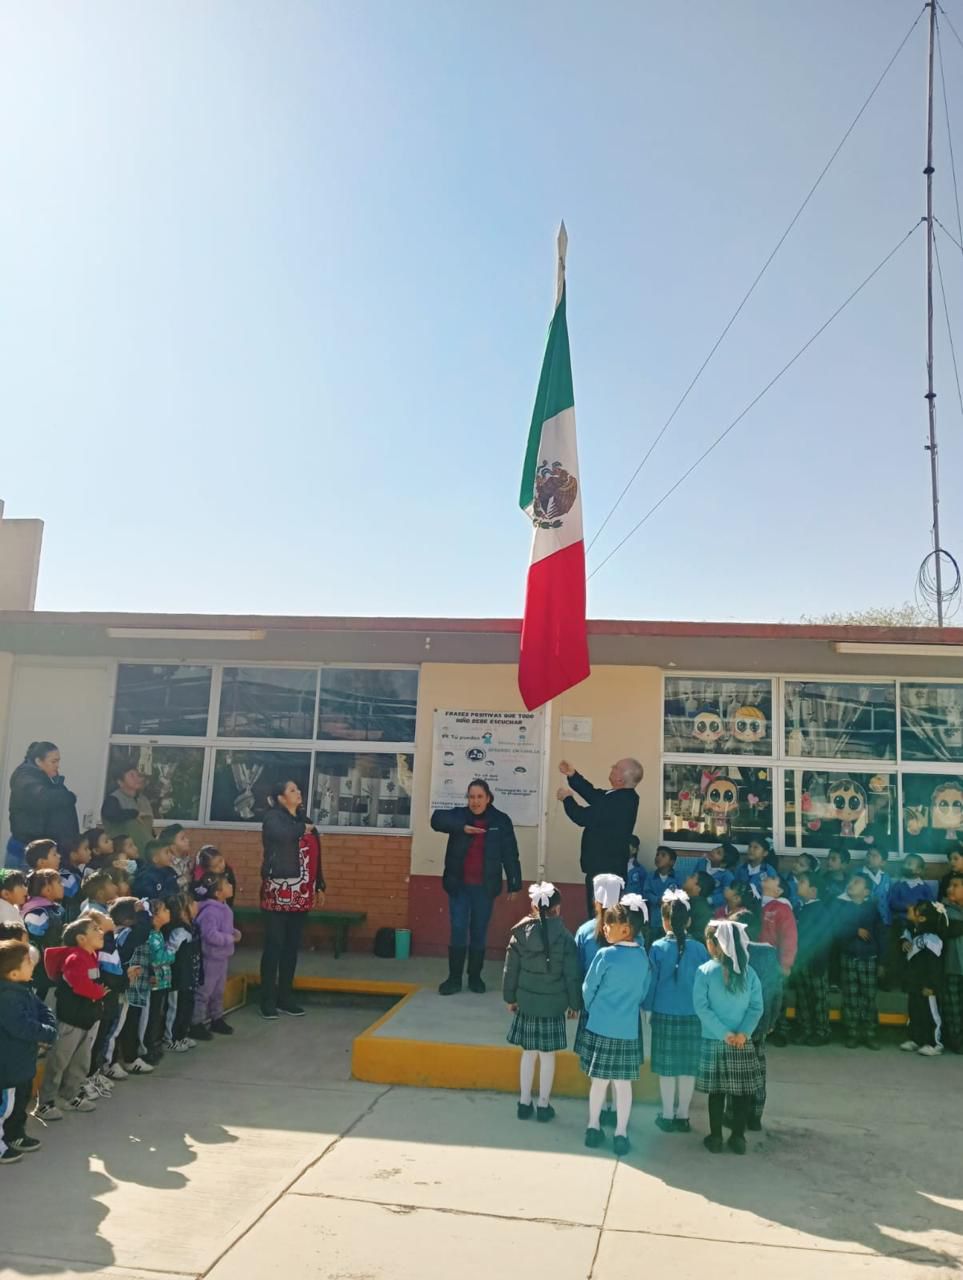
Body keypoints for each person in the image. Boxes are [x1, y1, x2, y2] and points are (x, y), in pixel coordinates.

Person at [430, 780, 521, 996]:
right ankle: (454, 978)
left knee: (479, 931)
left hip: (484, 888)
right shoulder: (459, 816)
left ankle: (474, 977)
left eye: (479, 797)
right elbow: (436, 819)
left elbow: (510, 854)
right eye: (471, 797)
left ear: (488, 798)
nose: (475, 801)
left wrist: (514, 883)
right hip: (459, 886)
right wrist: (461, 828)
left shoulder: (500, 820)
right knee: (458, 929)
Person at [503, 882, 580, 1123]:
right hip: (553, 1007)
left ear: (534, 906)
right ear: (557, 908)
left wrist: (510, 998)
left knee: (528, 1054)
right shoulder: (566, 938)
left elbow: (510, 971)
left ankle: (524, 1102)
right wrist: (574, 1004)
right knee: (548, 1056)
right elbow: (572, 975)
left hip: (526, 1004)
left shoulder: (519, 935)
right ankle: (544, 1105)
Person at [580, 896, 651, 1157]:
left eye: (610, 924)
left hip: (600, 1026)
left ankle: (593, 1126)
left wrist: (594, 1009)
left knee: (598, 1082)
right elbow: (643, 992)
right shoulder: (642, 957)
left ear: (626, 929)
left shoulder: (605, 955)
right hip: (627, 1029)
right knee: (623, 1084)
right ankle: (621, 1133)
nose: (605, 928)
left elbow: (588, 988)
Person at [693, 919, 764, 1155]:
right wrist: (743, 1033)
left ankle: (715, 1138)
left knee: (717, 1093)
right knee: (741, 1093)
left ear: (714, 944)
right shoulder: (749, 973)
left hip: (715, 1041)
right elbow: (756, 1007)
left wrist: (724, 1034)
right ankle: (738, 1137)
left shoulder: (704, 972)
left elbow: (702, 1008)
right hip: (742, 1043)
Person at [644, 888, 708, 1134]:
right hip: (693, 1015)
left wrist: (647, 1009)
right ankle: (683, 1115)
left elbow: (650, 984)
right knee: (687, 1069)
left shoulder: (657, 948)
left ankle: (667, 1114)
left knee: (667, 1069)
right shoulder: (700, 950)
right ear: (688, 921)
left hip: (663, 1014)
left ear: (664, 921)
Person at [259, 778, 325, 1020]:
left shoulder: (304, 820)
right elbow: (282, 835)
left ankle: (285, 997)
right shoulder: (273, 818)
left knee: (291, 947)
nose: (298, 792)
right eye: (292, 790)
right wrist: (302, 829)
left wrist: (320, 884)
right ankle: (267, 999)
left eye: (298, 789)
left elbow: (317, 855)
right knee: (274, 945)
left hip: (302, 893)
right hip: (278, 891)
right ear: (281, 797)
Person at [35, 916, 107, 1119]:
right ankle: (45, 1103)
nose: (101, 932)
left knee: (80, 1061)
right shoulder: (75, 958)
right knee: (59, 1060)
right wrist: (98, 992)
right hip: (71, 1019)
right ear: (81, 938)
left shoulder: (90, 955)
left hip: (86, 1018)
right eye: (95, 929)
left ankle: (70, 1095)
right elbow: (80, 985)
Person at [557, 758, 643, 916]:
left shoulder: (622, 800)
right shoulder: (619, 796)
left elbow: (583, 817)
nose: (612, 767)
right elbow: (593, 794)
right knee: (601, 915)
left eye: (616, 767)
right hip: (603, 868)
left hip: (606, 870)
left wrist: (567, 799)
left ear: (621, 779)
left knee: (601, 917)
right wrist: (573, 775)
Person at [573, 873, 624, 1127]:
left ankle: (600, 1108)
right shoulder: (631, 933)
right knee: (619, 1068)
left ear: (596, 901)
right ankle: (615, 1109)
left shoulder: (584, 932)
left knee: (597, 1065)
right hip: (623, 1009)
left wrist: (576, 1002)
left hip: (592, 1007)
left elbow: (576, 970)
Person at [0, 940, 57, 1162]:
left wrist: (49, 1025)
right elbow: (22, 1026)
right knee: (5, 1108)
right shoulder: (7, 997)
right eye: (27, 961)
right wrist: (47, 1032)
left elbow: (42, 1009)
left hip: (21, 1063)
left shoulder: (23, 988)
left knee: (18, 1103)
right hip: (9, 1066)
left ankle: (14, 1135)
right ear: (13, 973)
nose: (33, 963)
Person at [6, 741, 80, 868]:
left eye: (58, 761)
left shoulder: (45, 778)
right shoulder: (24, 777)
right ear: (38, 761)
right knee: (15, 880)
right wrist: (69, 796)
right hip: (25, 850)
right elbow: (43, 798)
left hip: (41, 849)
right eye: (53, 761)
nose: (57, 766)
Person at [833, 871, 884, 1050]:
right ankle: (852, 1032)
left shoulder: (872, 909)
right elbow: (836, 930)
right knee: (850, 997)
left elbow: (880, 935)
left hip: (869, 958)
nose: (851, 884)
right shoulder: (841, 906)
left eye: (857, 882)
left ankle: (870, 1033)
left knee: (869, 997)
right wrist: (855, 930)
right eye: (851, 881)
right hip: (848, 957)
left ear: (866, 892)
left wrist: (882, 962)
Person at [120, 898, 171, 1068]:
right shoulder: (138, 934)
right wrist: (171, 954)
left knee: (143, 1018)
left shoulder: (153, 933)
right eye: (164, 909)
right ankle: (132, 1055)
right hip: (133, 987)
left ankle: (140, 1050)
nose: (168, 911)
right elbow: (154, 956)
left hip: (143, 986)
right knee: (132, 1022)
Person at [109, 897, 154, 1076]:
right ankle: (111, 1063)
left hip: (133, 988)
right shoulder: (125, 933)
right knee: (117, 1028)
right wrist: (142, 913)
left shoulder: (127, 932)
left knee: (130, 1024)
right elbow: (142, 932)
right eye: (138, 917)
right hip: (124, 988)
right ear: (128, 920)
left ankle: (130, 1058)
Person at [788, 870, 833, 1045]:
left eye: (802, 882)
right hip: (801, 962)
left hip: (816, 963)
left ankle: (822, 1031)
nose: (797, 884)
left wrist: (819, 961)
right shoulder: (801, 908)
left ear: (813, 891)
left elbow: (824, 939)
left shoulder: (820, 911)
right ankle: (805, 1029)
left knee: (818, 999)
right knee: (803, 998)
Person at [192, 873, 240, 1039]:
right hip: (210, 958)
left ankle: (217, 1018)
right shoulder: (210, 912)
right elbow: (210, 935)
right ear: (218, 893)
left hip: (222, 957)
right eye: (226, 884)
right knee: (204, 992)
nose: (231, 886)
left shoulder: (224, 908)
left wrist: (233, 932)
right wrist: (229, 938)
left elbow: (224, 929)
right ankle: (196, 1023)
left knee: (218, 991)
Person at [900, 900, 948, 1056]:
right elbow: (905, 940)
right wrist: (903, 942)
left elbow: (934, 964)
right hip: (914, 981)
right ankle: (915, 1039)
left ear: (922, 918)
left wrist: (931, 985)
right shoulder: (912, 930)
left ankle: (934, 1043)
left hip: (928, 984)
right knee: (915, 1010)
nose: (910, 908)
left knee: (930, 1013)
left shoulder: (932, 938)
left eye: (915, 909)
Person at [21, 869, 65, 1002]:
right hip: (41, 972)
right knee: (41, 1002)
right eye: (59, 883)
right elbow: (37, 938)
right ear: (47, 889)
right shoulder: (37, 913)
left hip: (51, 968)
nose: (62, 886)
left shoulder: (51, 909)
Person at [166, 894, 202, 1051]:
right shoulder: (179, 931)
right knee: (176, 1008)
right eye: (192, 903)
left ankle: (181, 1035)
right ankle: (170, 1039)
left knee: (187, 1005)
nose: (196, 905)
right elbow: (169, 952)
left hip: (189, 975)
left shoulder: (192, 927)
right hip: (178, 978)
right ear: (182, 911)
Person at [101, 764, 155, 856]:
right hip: (123, 855)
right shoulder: (113, 799)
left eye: (137, 775)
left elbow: (146, 828)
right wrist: (134, 813)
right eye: (131, 775)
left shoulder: (143, 800)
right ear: (120, 782)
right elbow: (111, 814)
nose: (137, 778)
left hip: (146, 853)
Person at [941, 872, 963, 1054]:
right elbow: (950, 930)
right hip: (951, 966)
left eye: (956, 885)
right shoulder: (943, 910)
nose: (950, 889)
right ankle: (955, 1039)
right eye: (949, 885)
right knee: (952, 1006)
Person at [635, 847, 680, 928]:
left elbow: (682, 893)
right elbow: (646, 892)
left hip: (672, 920)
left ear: (672, 862)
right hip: (654, 919)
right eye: (657, 855)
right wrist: (657, 900)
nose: (658, 857)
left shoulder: (678, 877)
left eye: (663, 855)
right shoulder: (650, 876)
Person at [59, 834, 92, 923]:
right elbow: (75, 901)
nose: (89, 852)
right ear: (73, 855)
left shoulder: (76, 872)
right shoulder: (66, 876)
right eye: (86, 849)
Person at [733, 837, 777, 902]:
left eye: (755, 847)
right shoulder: (741, 868)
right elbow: (734, 887)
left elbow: (772, 894)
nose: (751, 850)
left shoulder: (769, 871)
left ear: (765, 853)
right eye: (749, 847)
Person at [860, 845, 893, 926]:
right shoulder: (858, 874)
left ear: (883, 862)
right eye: (868, 854)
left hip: (884, 920)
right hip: (865, 921)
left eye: (874, 856)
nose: (869, 858)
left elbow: (889, 898)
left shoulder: (886, 877)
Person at [681, 870, 714, 943]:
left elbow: (701, 937)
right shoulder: (685, 902)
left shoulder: (703, 910)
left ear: (697, 888)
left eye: (692, 877)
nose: (687, 877)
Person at [159, 825, 193, 892]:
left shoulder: (186, 859)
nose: (187, 840)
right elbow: (165, 887)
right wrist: (185, 879)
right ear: (172, 846)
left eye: (186, 837)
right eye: (182, 838)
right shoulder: (166, 864)